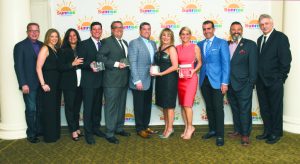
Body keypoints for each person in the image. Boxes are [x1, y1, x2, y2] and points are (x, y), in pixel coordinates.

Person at [256, 14, 292, 144]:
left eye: (266, 23)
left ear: (272, 24)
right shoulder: (260, 39)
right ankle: (267, 131)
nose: (264, 26)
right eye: (261, 24)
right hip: (261, 81)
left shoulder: (280, 37)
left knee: (275, 108)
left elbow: (286, 60)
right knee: (264, 108)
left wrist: (281, 78)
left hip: (274, 81)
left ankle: (276, 133)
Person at [97, 21, 130, 144]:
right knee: (111, 108)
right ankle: (110, 133)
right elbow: (100, 57)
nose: (119, 29)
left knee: (121, 106)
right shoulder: (107, 41)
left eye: (121, 27)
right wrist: (116, 64)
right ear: (111, 30)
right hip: (111, 81)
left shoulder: (125, 42)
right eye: (116, 28)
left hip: (123, 80)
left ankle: (119, 128)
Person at [197, 20, 230, 146]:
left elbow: (226, 64)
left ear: (213, 29)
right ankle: (213, 130)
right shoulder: (199, 44)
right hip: (204, 80)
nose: (206, 31)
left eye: (209, 28)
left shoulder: (221, 43)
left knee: (218, 108)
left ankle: (220, 135)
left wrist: (225, 82)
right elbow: (197, 62)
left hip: (217, 81)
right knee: (209, 107)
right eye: (204, 29)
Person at [227, 22, 258, 146]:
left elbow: (254, 66)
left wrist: (251, 83)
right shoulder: (226, 45)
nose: (236, 31)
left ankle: (245, 135)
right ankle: (238, 131)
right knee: (235, 109)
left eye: (238, 29)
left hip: (244, 84)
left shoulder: (250, 45)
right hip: (229, 84)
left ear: (242, 30)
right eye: (233, 29)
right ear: (230, 31)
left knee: (245, 110)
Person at [13, 23, 43, 143]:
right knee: (31, 109)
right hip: (29, 84)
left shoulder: (42, 45)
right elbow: (18, 66)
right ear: (27, 32)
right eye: (31, 31)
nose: (34, 33)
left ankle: (38, 130)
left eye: (36, 31)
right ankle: (31, 133)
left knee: (40, 108)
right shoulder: (20, 46)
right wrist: (23, 83)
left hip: (41, 83)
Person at [128, 22, 158, 138]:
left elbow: (153, 61)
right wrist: (136, 80)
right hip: (139, 80)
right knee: (139, 105)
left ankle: (146, 126)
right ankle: (139, 128)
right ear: (140, 31)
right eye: (144, 29)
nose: (146, 31)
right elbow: (132, 62)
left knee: (147, 105)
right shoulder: (134, 43)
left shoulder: (153, 43)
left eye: (148, 29)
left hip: (150, 79)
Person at [77, 22, 105, 145]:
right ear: (90, 31)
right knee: (88, 109)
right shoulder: (83, 44)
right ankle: (88, 133)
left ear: (101, 30)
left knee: (97, 108)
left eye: (99, 29)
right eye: (94, 29)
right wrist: (90, 65)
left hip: (101, 81)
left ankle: (96, 129)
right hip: (88, 82)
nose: (97, 31)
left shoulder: (103, 43)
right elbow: (80, 62)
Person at [58, 28, 84, 141]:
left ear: (77, 37)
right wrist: (72, 64)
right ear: (67, 38)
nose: (72, 37)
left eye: (74, 35)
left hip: (81, 82)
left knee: (77, 107)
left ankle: (77, 128)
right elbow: (59, 67)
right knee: (70, 107)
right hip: (69, 83)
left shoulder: (82, 48)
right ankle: (73, 130)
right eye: (70, 36)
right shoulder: (62, 50)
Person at [176, 27, 202, 140]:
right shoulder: (176, 48)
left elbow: (200, 63)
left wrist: (194, 71)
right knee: (182, 105)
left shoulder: (195, 47)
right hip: (181, 78)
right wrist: (177, 69)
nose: (185, 36)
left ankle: (191, 127)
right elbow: (175, 63)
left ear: (190, 35)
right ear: (180, 36)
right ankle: (187, 127)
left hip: (191, 78)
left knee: (187, 104)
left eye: (187, 34)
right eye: (183, 34)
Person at [36, 28, 62, 143]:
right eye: (52, 36)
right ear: (47, 37)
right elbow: (38, 67)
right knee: (49, 110)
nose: (54, 38)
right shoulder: (45, 48)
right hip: (48, 83)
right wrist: (43, 84)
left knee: (55, 109)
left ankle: (54, 134)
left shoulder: (55, 49)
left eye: (56, 36)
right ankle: (49, 136)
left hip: (56, 83)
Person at [152, 28, 178, 139]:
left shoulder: (171, 48)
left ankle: (170, 128)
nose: (165, 37)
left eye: (168, 35)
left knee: (169, 105)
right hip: (160, 79)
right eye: (163, 35)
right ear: (161, 37)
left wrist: (162, 73)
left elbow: (175, 66)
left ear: (171, 37)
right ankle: (166, 127)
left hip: (169, 80)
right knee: (164, 105)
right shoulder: (159, 48)